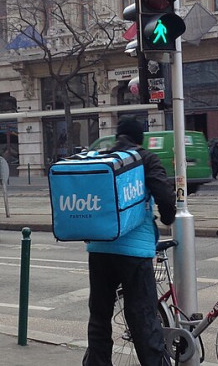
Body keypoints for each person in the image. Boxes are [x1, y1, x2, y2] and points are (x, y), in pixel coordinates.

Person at [82, 115, 176, 366]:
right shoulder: (146, 159)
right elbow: (165, 196)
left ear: (117, 136)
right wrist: (168, 217)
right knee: (143, 318)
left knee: (99, 317)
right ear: (140, 138)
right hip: (135, 251)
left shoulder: (102, 159)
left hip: (100, 248)